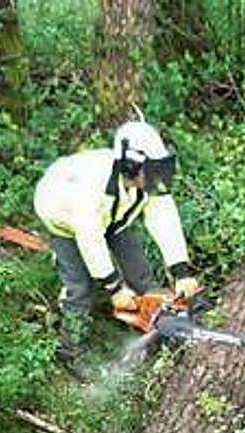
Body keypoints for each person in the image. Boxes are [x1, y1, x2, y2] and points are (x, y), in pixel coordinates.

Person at [33, 120, 199, 365]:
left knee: (141, 275)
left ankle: (160, 327)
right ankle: (70, 352)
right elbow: (89, 238)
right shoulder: (90, 187)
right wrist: (114, 288)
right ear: (131, 165)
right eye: (153, 170)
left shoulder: (148, 181)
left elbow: (164, 218)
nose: (158, 176)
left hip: (114, 218)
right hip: (64, 217)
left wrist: (181, 270)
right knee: (80, 288)